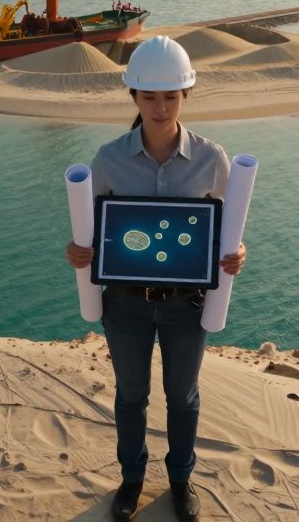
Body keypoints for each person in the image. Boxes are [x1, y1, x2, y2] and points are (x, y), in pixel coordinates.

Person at [65, 35, 246, 522]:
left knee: (182, 397)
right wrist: (78, 251)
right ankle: (132, 479)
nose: (160, 107)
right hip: (124, 306)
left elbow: (228, 231)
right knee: (130, 396)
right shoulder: (108, 160)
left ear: (186, 95)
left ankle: (181, 481)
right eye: (150, 97)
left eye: (170, 96)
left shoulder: (214, 159)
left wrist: (237, 254)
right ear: (134, 97)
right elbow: (93, 232)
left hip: (187, 307)